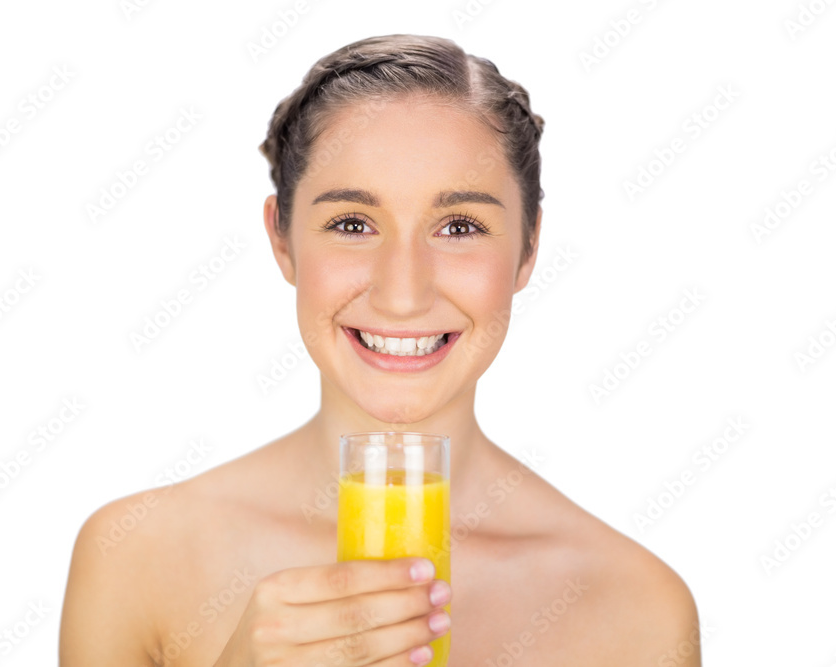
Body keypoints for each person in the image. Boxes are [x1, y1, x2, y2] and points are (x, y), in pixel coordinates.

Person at [59, 33, 701, 666]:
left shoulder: (641, 612)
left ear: (528, 248)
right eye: (352, 224)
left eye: (459, 227)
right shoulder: (133, 558)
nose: (402, 294)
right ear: (282, 240)